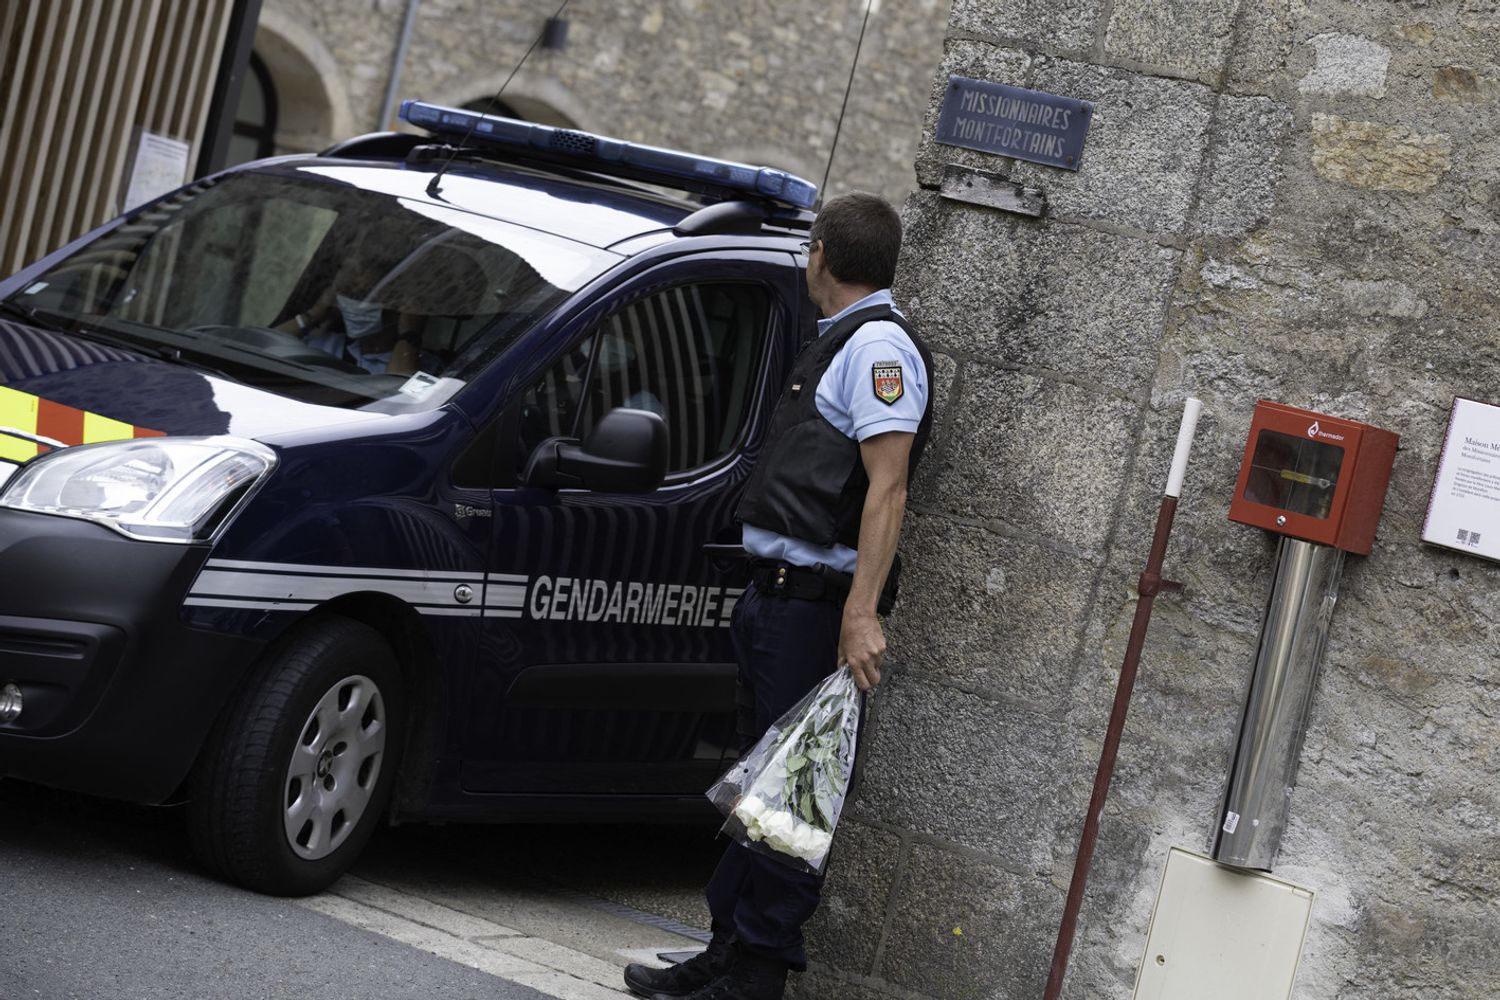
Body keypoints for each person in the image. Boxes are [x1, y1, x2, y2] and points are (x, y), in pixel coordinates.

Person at [624, 192, 933, 1000]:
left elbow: (888, 488)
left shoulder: (877, 350)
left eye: (809, 248)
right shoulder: (838, 342)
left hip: (816, 607)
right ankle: (727, 952)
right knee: (759, 785)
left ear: (821, 253)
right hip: (778, 598)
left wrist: (860, 612)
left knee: (794, 793)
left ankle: (757, 972)